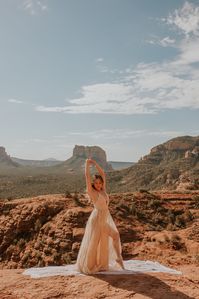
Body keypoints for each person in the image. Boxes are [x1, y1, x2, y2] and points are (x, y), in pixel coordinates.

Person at [75, 158, 125, 274]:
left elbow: (102, 173)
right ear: (93, 184)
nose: (98, 185)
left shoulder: (103, 190)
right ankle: (89, 265)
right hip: (97, 219)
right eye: (96, 183)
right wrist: (87, 164)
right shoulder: (92, 192)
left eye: (100, 183)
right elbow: (87, 177)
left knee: (115, 235)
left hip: (104, 217)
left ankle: (118, 258)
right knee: (94, 244)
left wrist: (95, 163)